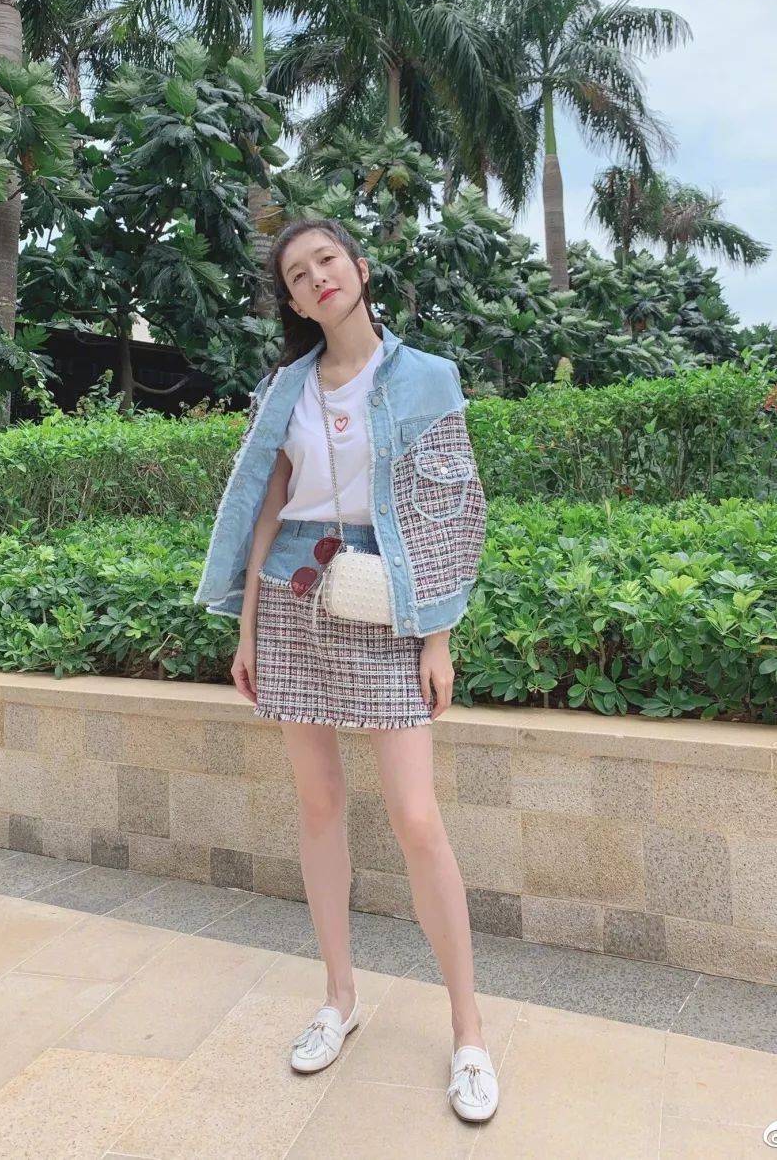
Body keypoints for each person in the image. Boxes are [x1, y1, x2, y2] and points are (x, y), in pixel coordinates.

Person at [193, 218, 495, 1123]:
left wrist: (437, 635)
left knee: (415, 817)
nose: (316, 276)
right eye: (297, 273)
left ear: (359, 269)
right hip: (293, 596)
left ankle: (468, 1031)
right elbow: (268, 508)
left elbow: (451, 511)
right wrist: (247, 629)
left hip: (387, 601)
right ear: (291, 301)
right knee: (319, 805)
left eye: (326, 259)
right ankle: (338, 997)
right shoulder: (282, 390)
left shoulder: (427, 376)